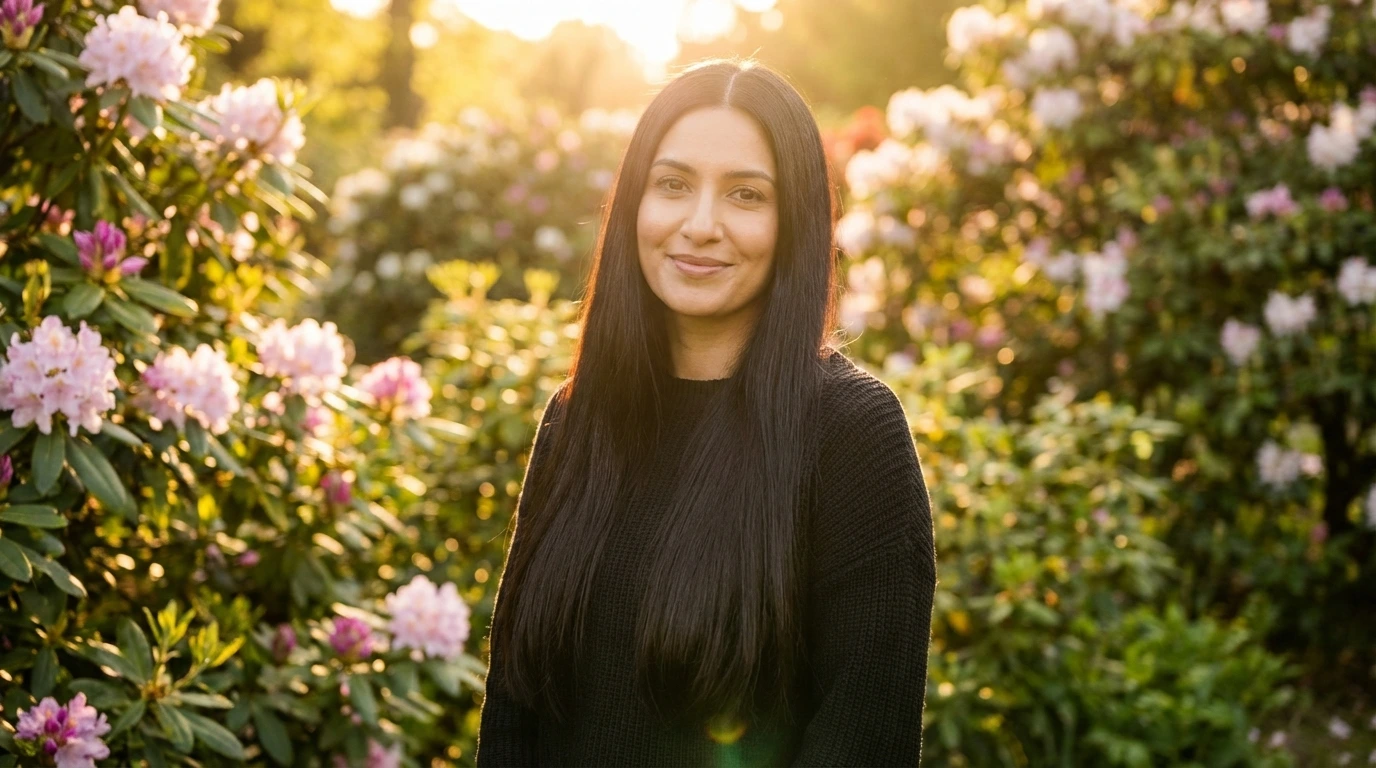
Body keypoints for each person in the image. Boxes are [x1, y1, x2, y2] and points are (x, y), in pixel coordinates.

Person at [476, 58, 936, 766]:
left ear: (796, 223)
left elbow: (862, 742)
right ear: (635, 203)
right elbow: (513, 716)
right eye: (673, 185)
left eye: (746, 195)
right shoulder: (576, 420)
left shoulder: (852, 437)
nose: (699, 225)